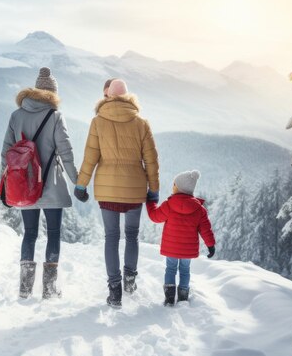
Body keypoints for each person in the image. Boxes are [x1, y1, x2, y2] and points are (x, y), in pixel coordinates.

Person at [74, 79, 160, 308]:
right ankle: (130, 280)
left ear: (109, 96)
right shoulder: (141, 123)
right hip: (134, 188)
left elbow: (90, 157)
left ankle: (115, 290)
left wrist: (81, 185)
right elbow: (151, 160)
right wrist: (154, 189)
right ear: (128, 97)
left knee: (111, 237)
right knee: (132, 235)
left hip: (108, 189)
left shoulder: (98, 121)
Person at [1, 67, 79, 300]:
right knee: (53, 233)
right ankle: (49, 288)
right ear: (53, 93)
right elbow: (65, 151)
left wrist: (5, 185)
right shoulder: (55, 116)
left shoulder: (16, 115)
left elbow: (6, 152)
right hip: (51, 183)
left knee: (30, 233)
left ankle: (25, 288)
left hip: (24, 183)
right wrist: (78, 182)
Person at [146, 170, 216, 306]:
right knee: (185, 270)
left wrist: (150, 203)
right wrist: (210, 245)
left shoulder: (169, 205)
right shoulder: (199, 209)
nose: (172, 186)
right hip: (188, 250)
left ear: (179, 188)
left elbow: (155, 216)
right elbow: (205, 229)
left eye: (174, 185)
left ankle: (169, 297)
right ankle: (183, 297)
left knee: (170, 269)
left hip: (171, 247)